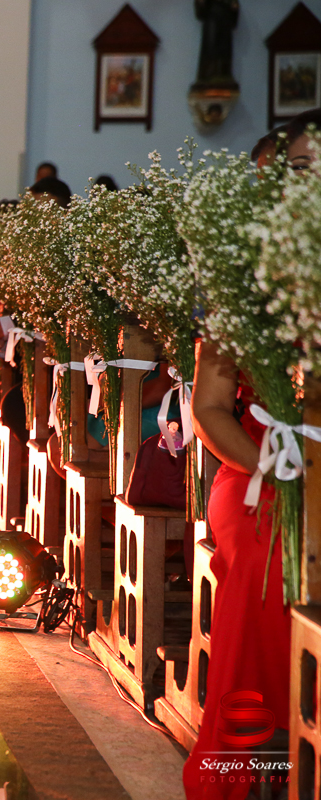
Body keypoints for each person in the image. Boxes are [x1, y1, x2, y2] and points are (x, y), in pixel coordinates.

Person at [182, 114, 316, 800]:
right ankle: (245, 765)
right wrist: (272, 470)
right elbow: (209, 408)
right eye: (303, 169)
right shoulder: (243, 277)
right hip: (264, 466)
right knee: (267, 558)